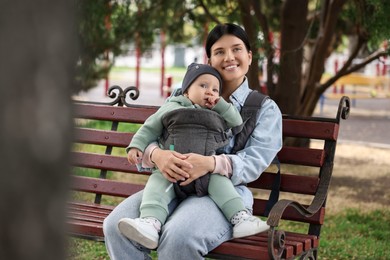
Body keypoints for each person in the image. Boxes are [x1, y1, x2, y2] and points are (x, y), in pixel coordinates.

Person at [103, 23, 282, 260]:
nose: (229, 57)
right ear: (209, 59)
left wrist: (209, 164)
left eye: (236, 49)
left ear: (249, 56)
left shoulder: (263, 108)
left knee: (178, 236)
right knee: (115, 226)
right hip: (171, 185)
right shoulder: (183, 95)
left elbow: (254, 161)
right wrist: (158, 155)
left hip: (224, 195)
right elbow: (153, 131)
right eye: (219, 52)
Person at [118, 63, 269, 250]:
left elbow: (236, 122)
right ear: (186, 91)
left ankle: (240, 218)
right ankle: (150, 223)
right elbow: (149, 127)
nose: (210, 92)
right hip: (172, 170)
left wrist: (220, 103)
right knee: (156, 189)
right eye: (203, 86)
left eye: (215, 89)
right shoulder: (172, 106)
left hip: (207, 172)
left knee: (222, 185)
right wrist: (137, 147)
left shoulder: (216, 111)